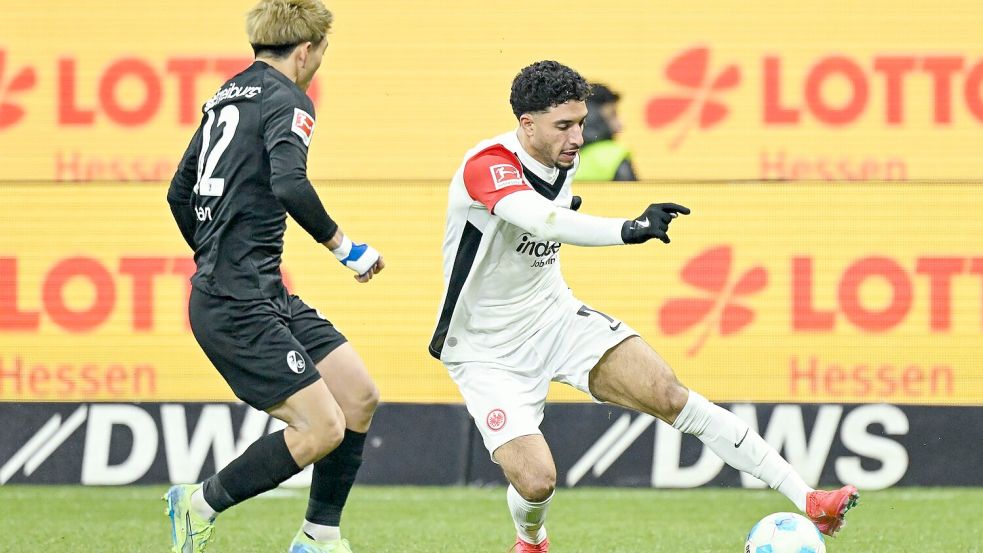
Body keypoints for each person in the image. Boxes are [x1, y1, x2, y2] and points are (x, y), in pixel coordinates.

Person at [429, 60, 858, 552]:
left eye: (581, 122)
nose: (576, 137)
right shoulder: (487, 166)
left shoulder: (564, 159)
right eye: (563, 126)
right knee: (537, 481)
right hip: (484, 349)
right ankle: (531, 541)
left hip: (553, 317)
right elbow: (543, 221)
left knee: (669, 392)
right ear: (527, 124)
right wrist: (627, 229)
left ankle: (809, 501)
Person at [164, 1, 383, 552]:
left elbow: (178, 190)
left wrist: (213, 254)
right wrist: (346, 248)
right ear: (307, 50)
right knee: (322, 428)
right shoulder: (290, 100)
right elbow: (289, 183)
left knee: (357, 395)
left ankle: (318, 537)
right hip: (236, 302)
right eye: (322, 53)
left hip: (260, 291)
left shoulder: (225, 95)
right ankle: (198, 504)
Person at [577, 82, 637, 181]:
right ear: (592, 115)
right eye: (613, 114)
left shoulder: (554, 155)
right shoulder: (614, 156)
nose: (620, 125)